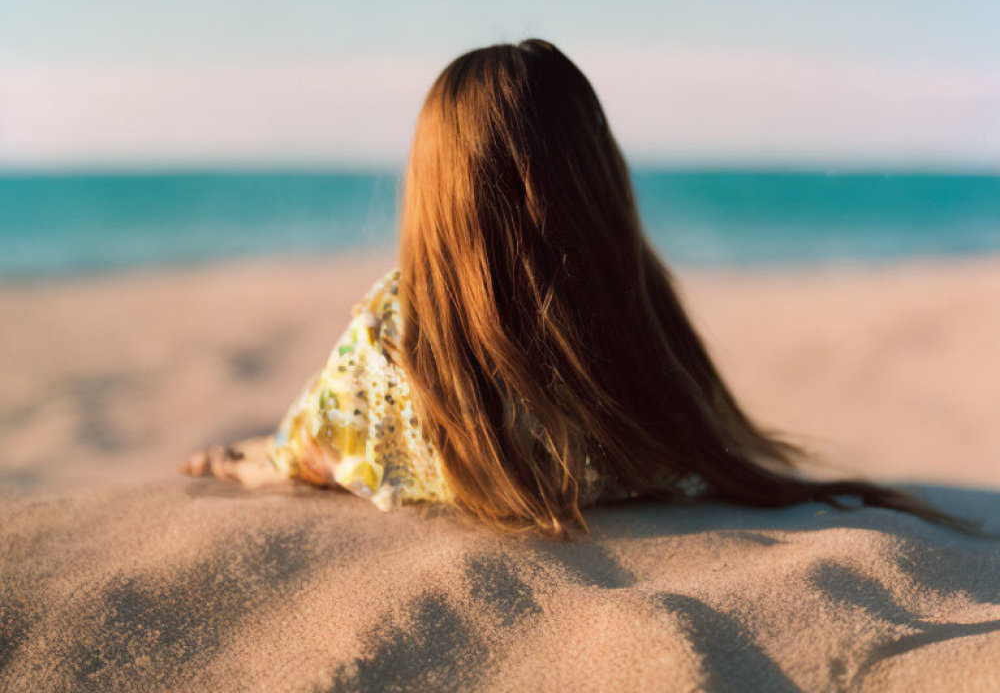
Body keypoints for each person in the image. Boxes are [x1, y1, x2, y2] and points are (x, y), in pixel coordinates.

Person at [181, 39, 969, 539]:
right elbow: (695, 454)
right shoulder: (637, 315)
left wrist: (251, 460)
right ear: (597, 176)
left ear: (435, 189)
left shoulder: (396, 336)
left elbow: (315, 446)